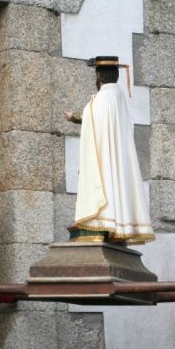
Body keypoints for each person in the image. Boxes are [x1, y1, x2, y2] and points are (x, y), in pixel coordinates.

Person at [64, 55, 154, 244]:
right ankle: (118, 224)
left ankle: (104, 221)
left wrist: (74, 117)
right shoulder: (117, 96)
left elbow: (93, 118)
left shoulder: (103, 97)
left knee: (105, 182)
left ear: (99, 75)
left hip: (104, 157)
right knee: (116, 183)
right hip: (116, 157)